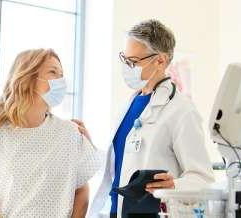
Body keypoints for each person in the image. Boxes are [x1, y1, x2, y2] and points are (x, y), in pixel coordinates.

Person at [0, 48, 101, 218]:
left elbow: (81, 190)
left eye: (62, 74)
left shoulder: (70, 133)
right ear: (27, 78)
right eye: (53, 72)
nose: (61, 80)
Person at [88, 20, 215, 218]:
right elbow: (122, 162)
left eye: (134, 61)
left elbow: (203, 178)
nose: (127, 67)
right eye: (124, 59)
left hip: (151, 213)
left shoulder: (181, 111)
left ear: (160, 61)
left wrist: (175, 185)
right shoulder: (129, 105)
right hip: (116, 211)